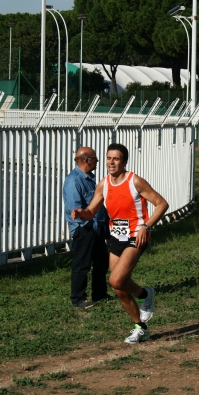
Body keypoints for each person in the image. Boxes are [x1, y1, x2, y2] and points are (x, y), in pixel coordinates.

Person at [71, 143, 169, 344]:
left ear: (124, 162)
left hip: (136, 236)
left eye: (116, 159)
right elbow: (91, 212)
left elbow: (162, 204)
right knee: (119, 288)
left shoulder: (135, 182)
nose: (111, 162)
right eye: (108, 158)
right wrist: (81, 213)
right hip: (116, 237)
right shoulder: (103, 184)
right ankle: (140, 327)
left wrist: (147, 226)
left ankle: (144, 294)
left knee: (115, 280)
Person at [63, 147, 111, 309]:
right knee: (82, 264)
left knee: (101, 262)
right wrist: (87, 228)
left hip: (96, 228)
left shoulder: (88, 178)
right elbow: (75, 209)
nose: (97, 163)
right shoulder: (74, 181)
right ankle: (78, 298)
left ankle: (100, 293)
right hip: (84, 229)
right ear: (86, 160)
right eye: (95, 159)